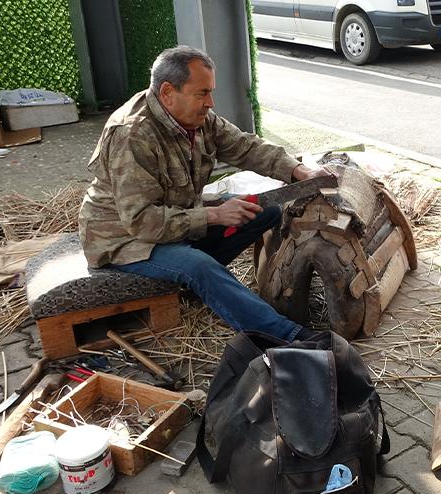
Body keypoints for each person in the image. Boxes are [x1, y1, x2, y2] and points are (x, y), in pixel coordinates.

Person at [78, 46, 331, 341]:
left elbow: (246, 147)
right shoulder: (132, 135)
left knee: (266, 211)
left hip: (175, 217)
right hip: (123, 239)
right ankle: (290, 338)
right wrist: (213, 215)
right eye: (202, 94)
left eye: (210, 92)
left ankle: (197, 283)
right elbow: (142, 222)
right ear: (168, 92)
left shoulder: (198, 120)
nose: (210, 103)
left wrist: (300, 172)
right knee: (198, 266)